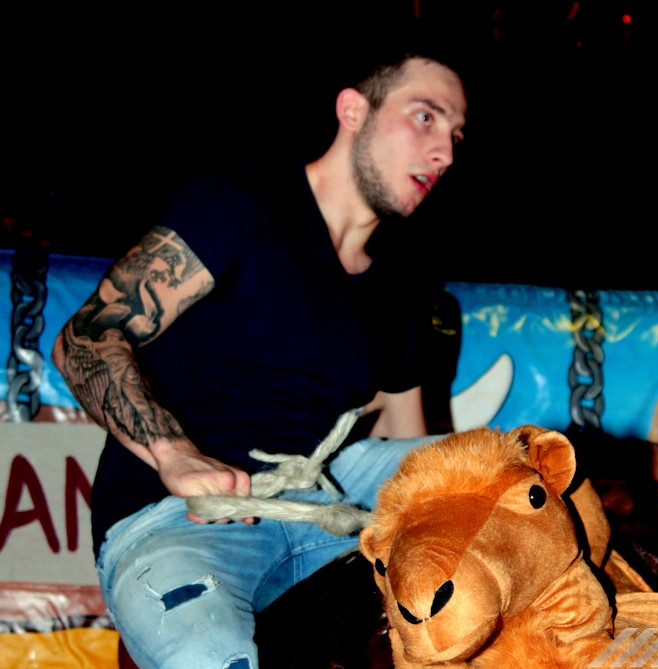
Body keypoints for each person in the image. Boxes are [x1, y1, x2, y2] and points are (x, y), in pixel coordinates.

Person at [52, 52, 467, 669]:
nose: (445, 153)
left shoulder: (402, 290)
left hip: (330, 497)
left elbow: (414, 454)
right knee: (211, 656)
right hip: (184, 516)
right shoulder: (240, 206)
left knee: (503, 470)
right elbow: (86, 336)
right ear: (354, 110)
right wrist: (176, 454)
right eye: (426, 118)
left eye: (456, 134)